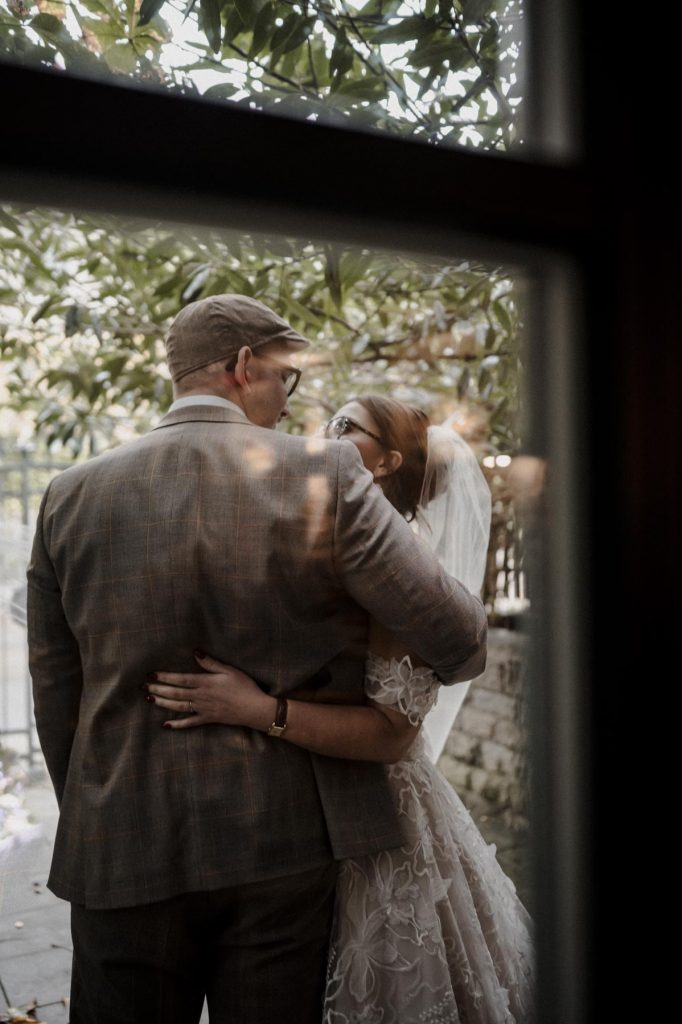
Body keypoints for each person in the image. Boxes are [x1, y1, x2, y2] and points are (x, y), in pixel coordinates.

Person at [26, 297, 488, 1024]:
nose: (287, 401)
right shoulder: (327, 474)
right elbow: (460, 642)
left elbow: (55, 694)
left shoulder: (67, 495)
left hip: (120, 846)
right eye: (286, 379)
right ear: (244, 367)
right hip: (283, 846)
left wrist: (99, 804)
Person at [146, 395, 535, 1024]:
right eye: (331, 421)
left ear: (386, 463)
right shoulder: (314, 531)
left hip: (372, 823)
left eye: (348, 427)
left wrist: (258, 709)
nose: (326, 434)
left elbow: (392, 736)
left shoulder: (399, 562)